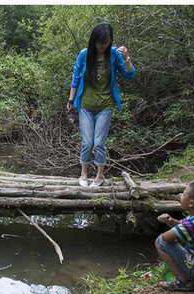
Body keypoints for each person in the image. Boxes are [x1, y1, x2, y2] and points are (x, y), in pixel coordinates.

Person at [67, 22, 136, 187]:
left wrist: (126, 58)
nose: (103, 46)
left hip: (105, 106)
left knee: (99, 143)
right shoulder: (84, 54)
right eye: (100, 43)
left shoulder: (113, 54)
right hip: (85, 105)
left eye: (106, 42)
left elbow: (130, 75)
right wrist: (71, 100)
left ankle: (99, 176)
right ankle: (83, 174)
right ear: (94, 40)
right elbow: (76, 77)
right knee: (87, 141)